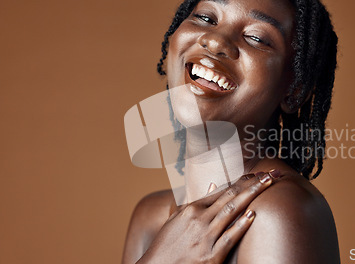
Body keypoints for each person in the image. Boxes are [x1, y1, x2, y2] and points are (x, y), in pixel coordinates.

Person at [122, 0, 339, 263]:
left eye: (256, 37)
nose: (215, 41)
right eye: (205, 18)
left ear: (294, 91)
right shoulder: (150, 215)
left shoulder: (277, 212)